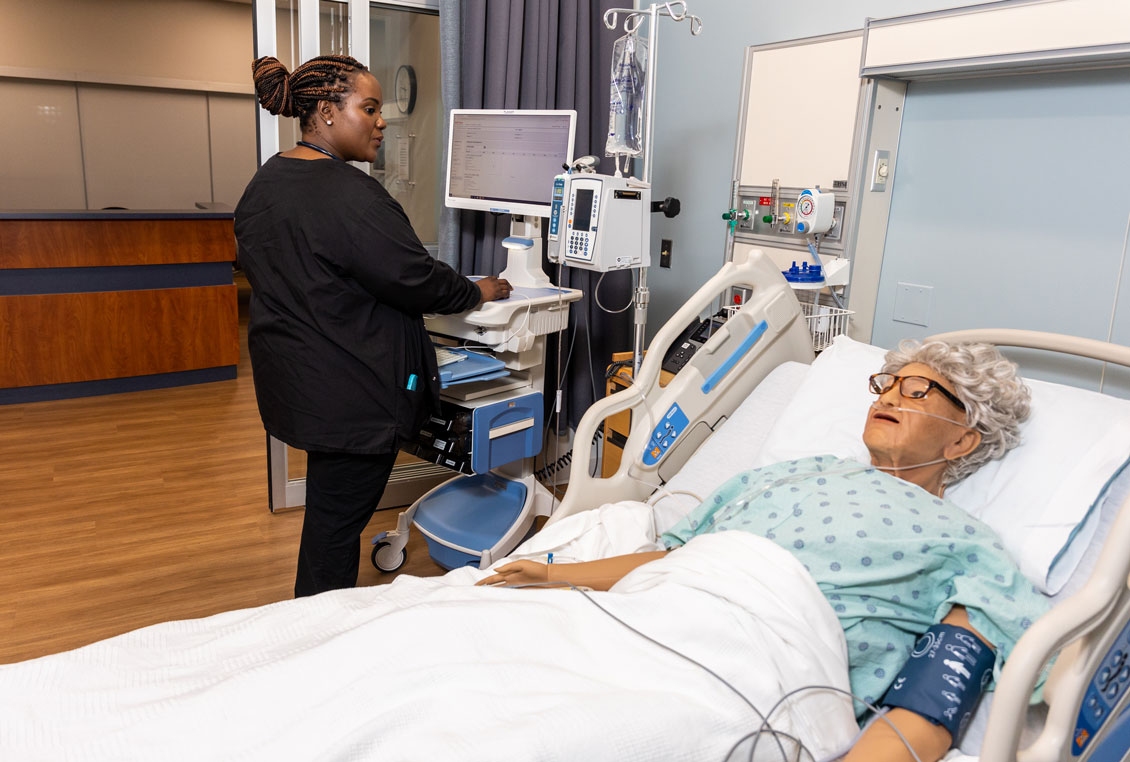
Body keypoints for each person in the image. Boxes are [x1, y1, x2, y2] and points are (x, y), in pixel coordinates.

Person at [479, 339, 1049, 762]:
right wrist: (555, 575)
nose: (892, 394)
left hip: (758, 668)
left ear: (964, 438)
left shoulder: (964, 542)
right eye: (889, 384)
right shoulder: (796, 472)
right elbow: (677, 558)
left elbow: (935, 694)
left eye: (918, 390)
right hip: (653, 616)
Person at [235, 55, 512, 598]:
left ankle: (314, 618)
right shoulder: (352, 197)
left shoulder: (265, 182)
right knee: (334, 530)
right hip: (350, 398)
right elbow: (417, 280)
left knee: (329, 518)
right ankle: (323, 633)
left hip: (298, 383)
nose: (381, 122)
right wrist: (479, 289)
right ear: (326, 112)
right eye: (368, 108)